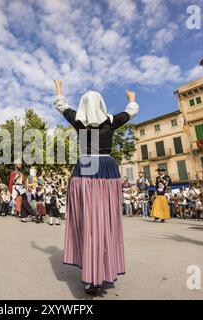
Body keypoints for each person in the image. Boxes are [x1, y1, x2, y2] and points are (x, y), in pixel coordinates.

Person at [54, 79, 139, 294]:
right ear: (101, 104)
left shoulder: (79, 122)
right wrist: (132, 99)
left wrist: (59, 89)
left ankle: (92, 273)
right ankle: (106, 268)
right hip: (108, 169)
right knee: (106, 220)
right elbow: (131, 112)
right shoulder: (111, 121)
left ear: (83, 104)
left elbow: (61, 106)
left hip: (85, 168)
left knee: (88, 220)